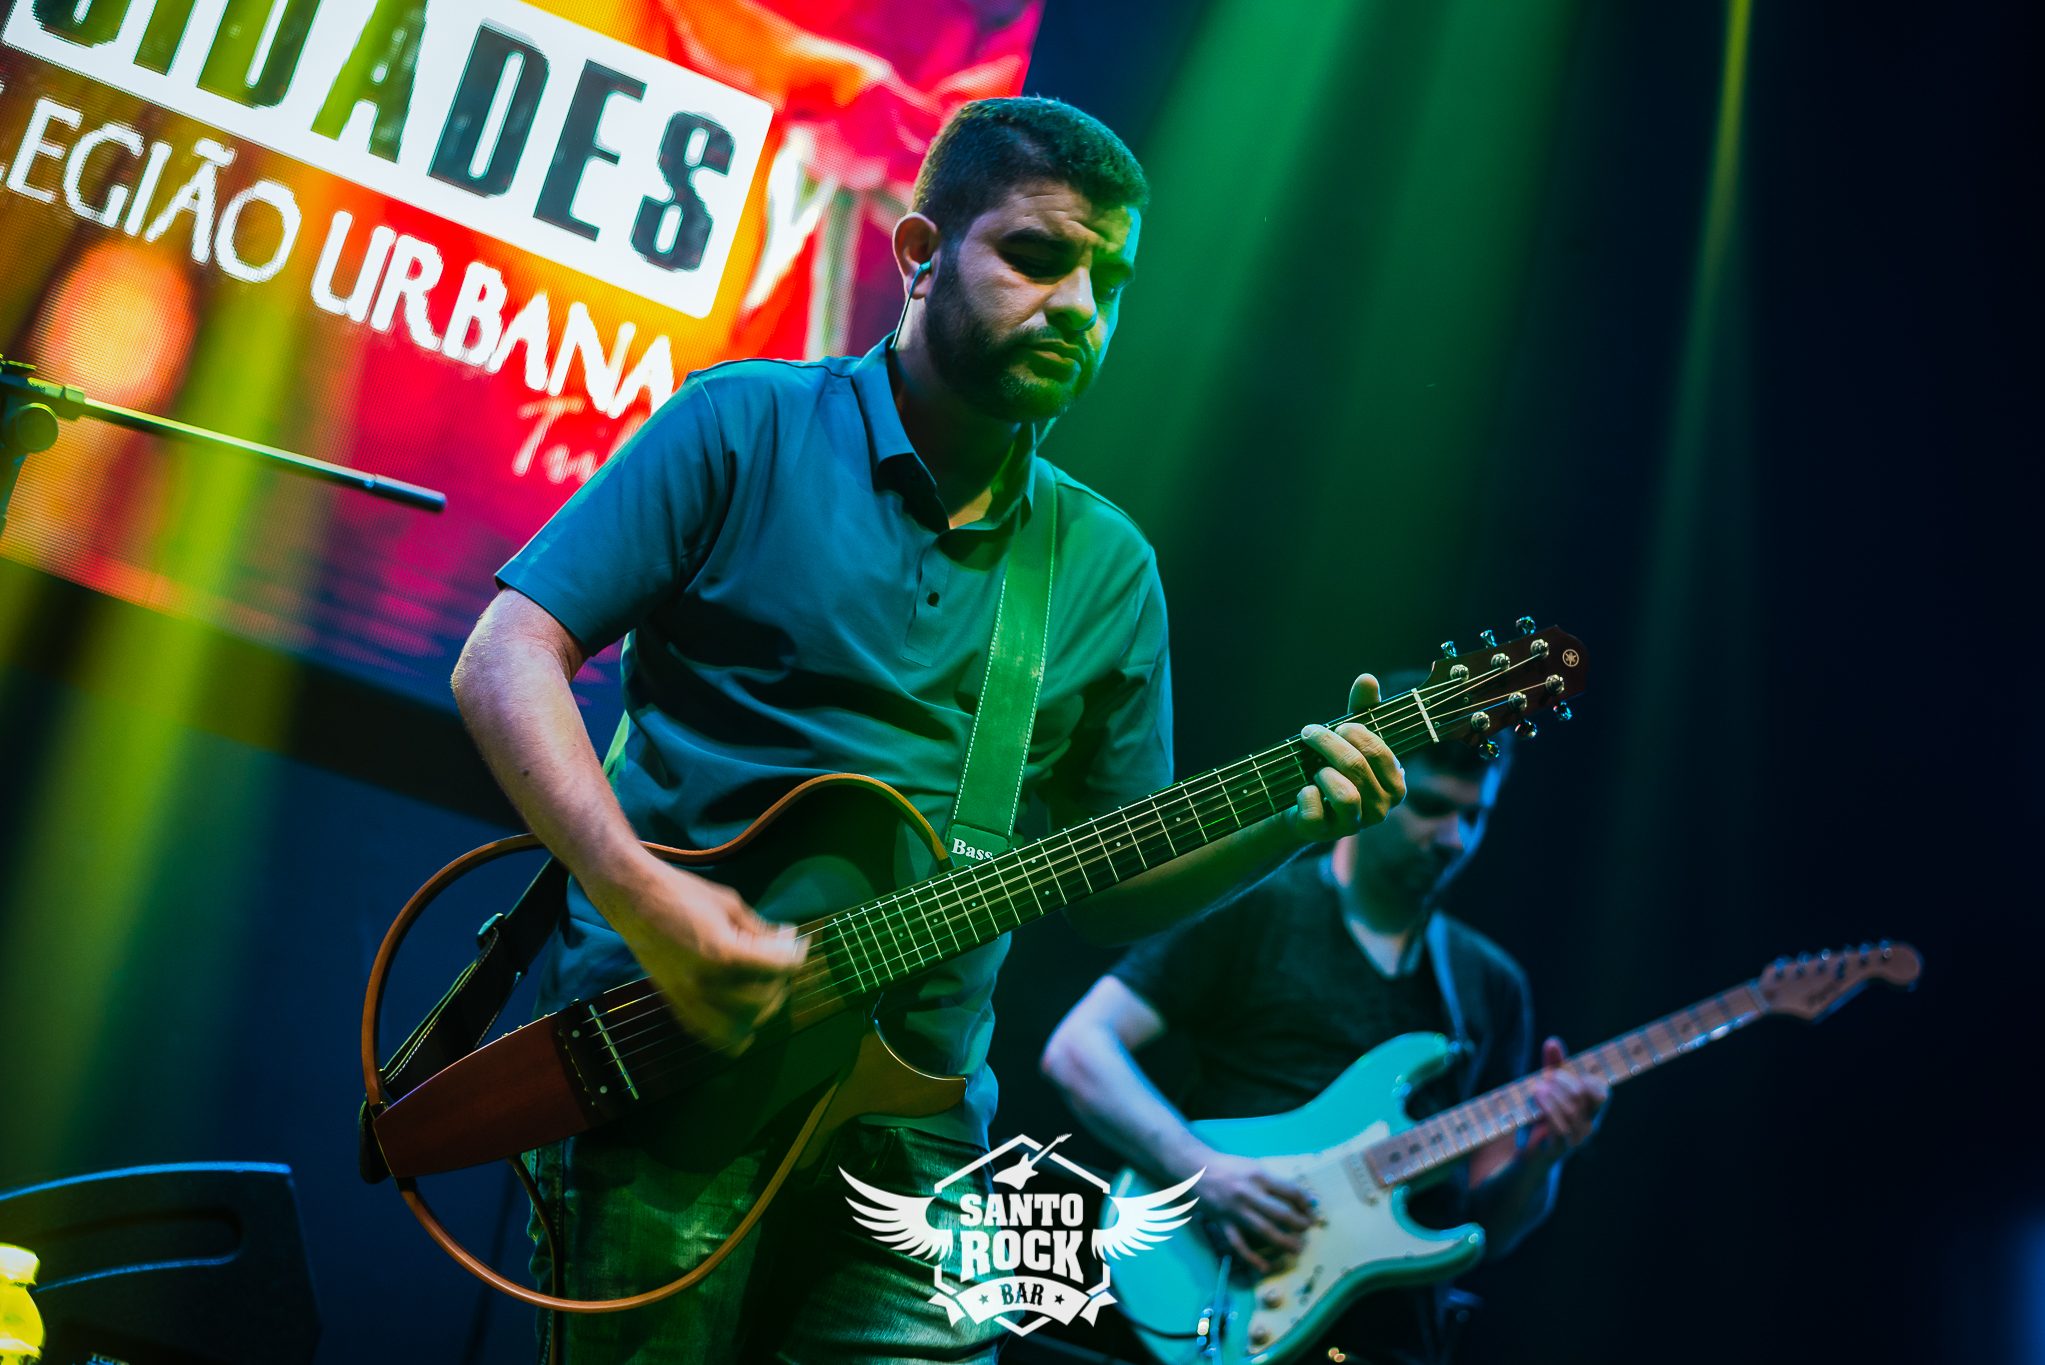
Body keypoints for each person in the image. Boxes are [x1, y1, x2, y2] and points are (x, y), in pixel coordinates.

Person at [450, 98, 1408, 1365]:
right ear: (918, 252)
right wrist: (640, 896)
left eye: (1110, 281)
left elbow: (1112, 892)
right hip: (675, 1070)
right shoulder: (743, 425)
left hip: (919, 1134)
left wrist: (1287, 823)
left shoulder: (1107, 566)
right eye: (1037, 256)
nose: (1079, 307)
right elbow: (504, 654)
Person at [1040, 706, 1610, 1365]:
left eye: (1474, 815)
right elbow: (1079, 1048)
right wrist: (1203, 1172)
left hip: (1395, 1344)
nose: (1453, 838)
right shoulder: (1254, 904)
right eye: (1429, 806)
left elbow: (1491, 1227)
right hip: (1226, 1301)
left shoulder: (1490, 982)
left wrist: (1542, 1158)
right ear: (1377, 784)